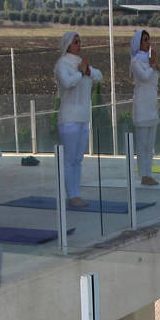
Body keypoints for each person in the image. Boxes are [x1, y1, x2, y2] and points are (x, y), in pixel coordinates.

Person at [54, 32, 102, 207]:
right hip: (69, 118)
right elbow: (67, 83)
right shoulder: (62, 64)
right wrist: (81, 73)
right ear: (68, 45)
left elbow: (98, 75)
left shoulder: (81, 63)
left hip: (83, 117)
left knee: (78, 159)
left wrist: (87, 70)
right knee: (70, 159)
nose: (79, 45)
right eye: (75, 42)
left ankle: (76, 192)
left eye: (80, 41)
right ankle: (71, 195)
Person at [128, 29, 160, 186]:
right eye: (145, 40)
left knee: (150, 144)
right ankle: (143, 175)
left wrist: (157, 65)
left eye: (148, 39)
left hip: (152, 104)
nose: (148, 43)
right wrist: (153, 66)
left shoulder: (151, 60)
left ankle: (149, 173)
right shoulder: (136, 62)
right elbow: (144, 77)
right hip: (141, 104)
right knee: (142, 144)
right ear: (138, 43)